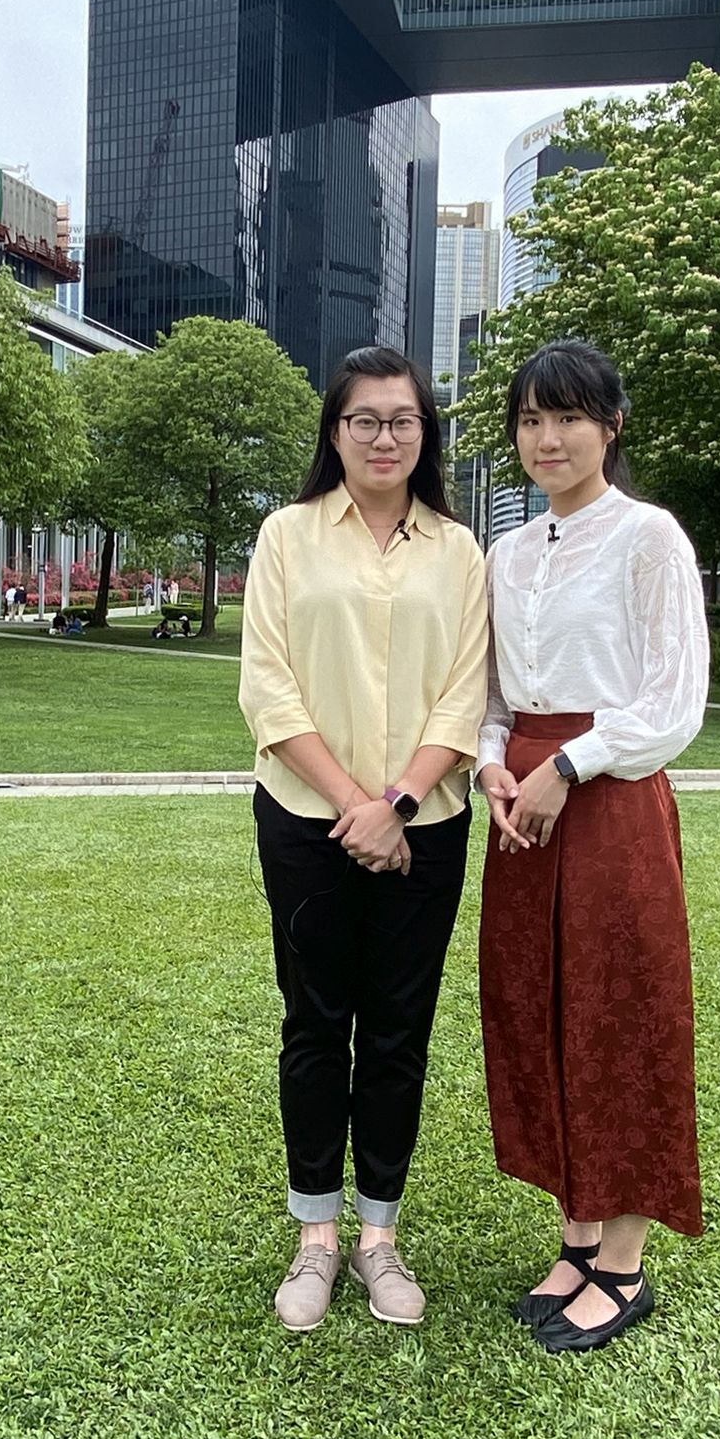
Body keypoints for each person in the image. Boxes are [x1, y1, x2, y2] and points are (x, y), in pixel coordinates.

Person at [239, 345, 488, 1334]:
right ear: (333, 432)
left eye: (401, 419)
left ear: (424, 435)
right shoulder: (287, 536)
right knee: (313, 1023)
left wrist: (399, 801)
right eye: (363, 419)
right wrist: (355, 802)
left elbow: (463, 691)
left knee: (395, 1031)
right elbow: (266, 684)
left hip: (426, 825)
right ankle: (314, 1237)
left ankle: (378, 1235)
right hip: (306, 820)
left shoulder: (459, 551)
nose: (383, 436)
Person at [476, 340, 710, 1355]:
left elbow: (670, 700)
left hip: (606, 796)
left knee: (619, 1008)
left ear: (610, 425)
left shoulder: (648, 537)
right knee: (534, 1007)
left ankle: (621, 1260)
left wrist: (562, 768)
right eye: (529, 419)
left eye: (567, 416)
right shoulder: (507, 552)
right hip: (518, 805)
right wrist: (492, 762)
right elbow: (490, 694)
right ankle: (573, 1238)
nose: (546, 437)